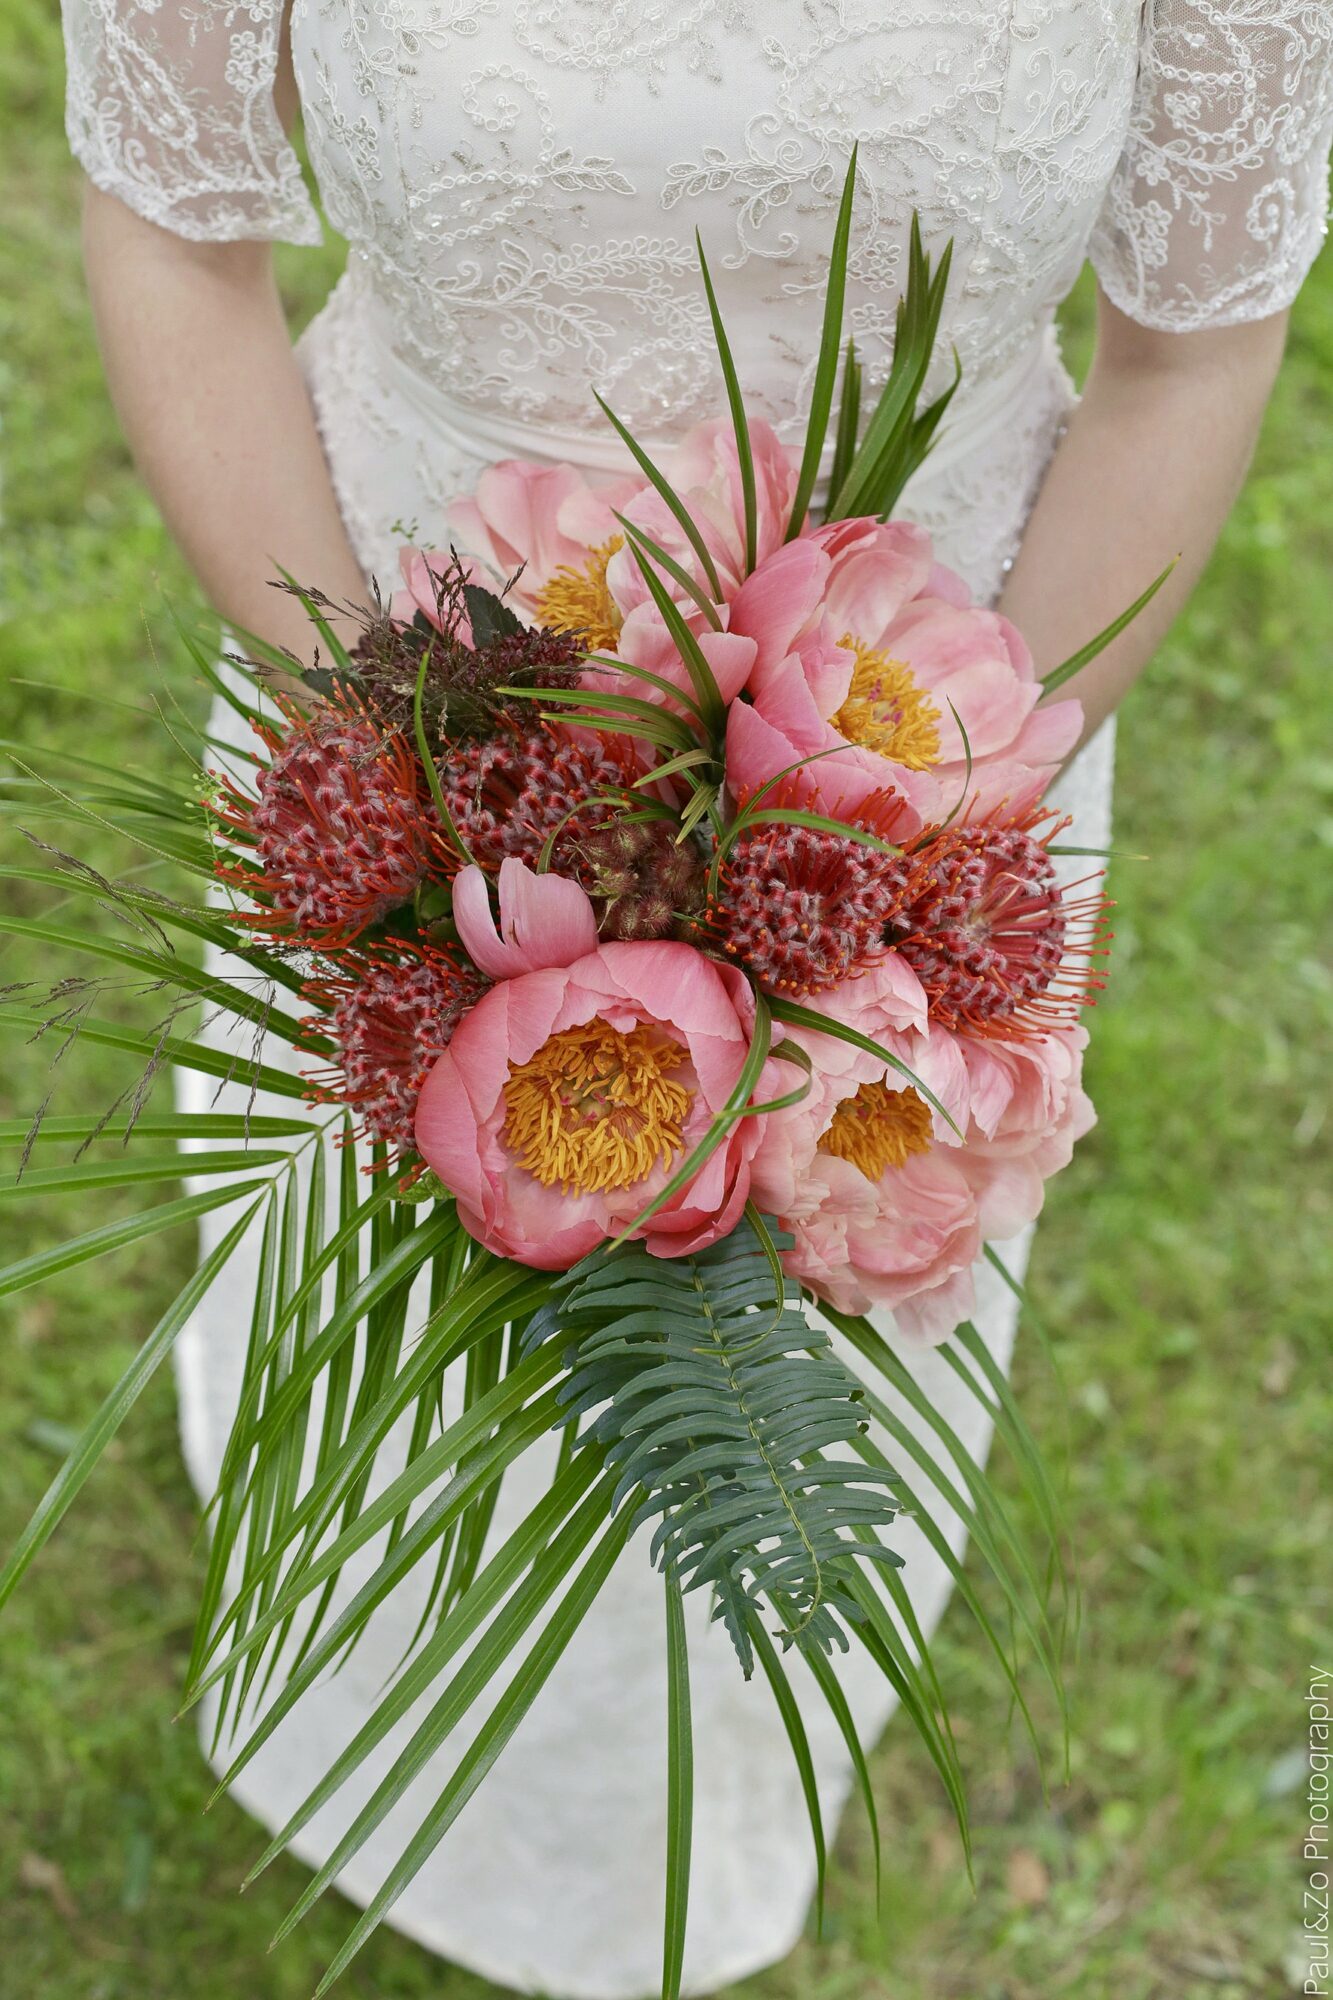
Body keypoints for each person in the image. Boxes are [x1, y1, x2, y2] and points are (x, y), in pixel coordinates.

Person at [58, 3, 1333, 1993]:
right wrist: (381, 742)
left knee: (782, 1395)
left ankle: (700, 1781)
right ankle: (354, 1677)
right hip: (403, 679)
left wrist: (939, 829)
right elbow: (173, 237)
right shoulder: (384, 723)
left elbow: (1193, 346)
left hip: (927, 760)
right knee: (392, 1325)